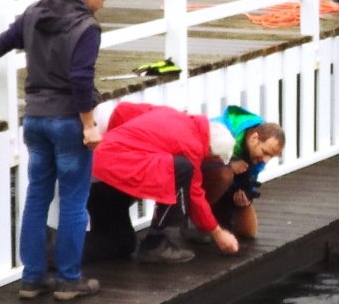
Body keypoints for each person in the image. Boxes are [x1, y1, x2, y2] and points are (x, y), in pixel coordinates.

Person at [0, 0, 111, 300]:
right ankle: (68, 280)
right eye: (103, 0)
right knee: (74, 202)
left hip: (35, 118)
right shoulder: (87, 26)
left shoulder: (35, 12)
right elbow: (80, 78)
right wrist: (89, 125)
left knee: (36, 197)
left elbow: (3, 42)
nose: (102, 6)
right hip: (67, 121)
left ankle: (32, 279)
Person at [87, 102, 240, 263]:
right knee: (182, 169)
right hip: (109, 173)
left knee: (122, 243)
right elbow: (194, 195)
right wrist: (218, 233)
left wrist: (115, 142)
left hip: (98, 171)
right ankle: (156, 242)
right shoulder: (192, 147)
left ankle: (68, 247)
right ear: (211, 152)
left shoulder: (175, 115)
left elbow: (123, 111)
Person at [198, 106, 285, 237]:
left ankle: (217, 219)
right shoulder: (221, 130)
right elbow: (195, 159)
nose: (265, 160)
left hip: (227, 188)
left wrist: (246, 197)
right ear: (254, 138)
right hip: (199, 181)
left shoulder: (256, 154)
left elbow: (249, 181)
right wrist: (228, 165)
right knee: (225, 175)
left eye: (271, 156)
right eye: (265, 152)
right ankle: (197, 220)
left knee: (249, 232)